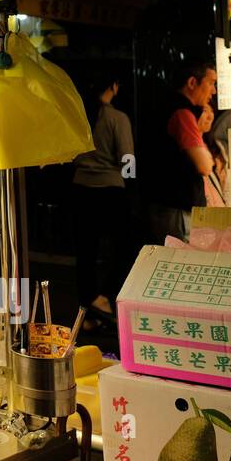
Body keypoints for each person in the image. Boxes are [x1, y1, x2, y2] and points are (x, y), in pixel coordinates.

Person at [71, 73, 134, 333]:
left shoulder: (79, 117)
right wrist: (130, 185)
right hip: (111, 190)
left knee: (85, 251)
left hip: (80, 189)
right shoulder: (117, 118)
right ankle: (104, 298)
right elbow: (127, 158)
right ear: (114, 86)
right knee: (123, 249)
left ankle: (87, 308)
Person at [145, 60, 216, 244]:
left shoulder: (167, 107)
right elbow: (205, 166)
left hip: (166, 206)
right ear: (192, 83)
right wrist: (199, 133)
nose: (213, 91)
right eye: (210, 83)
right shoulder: (182, 114)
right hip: (177, 211)